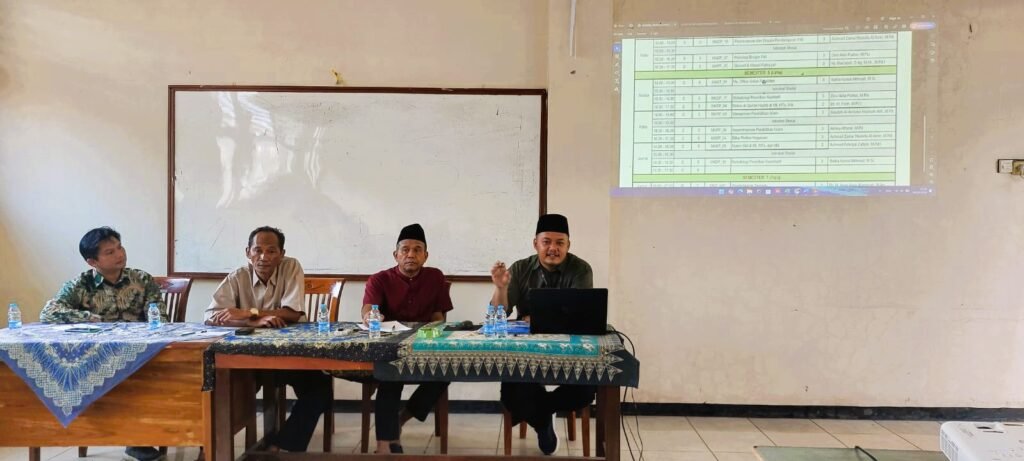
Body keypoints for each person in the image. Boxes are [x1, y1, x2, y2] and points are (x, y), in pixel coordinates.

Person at [39, 226, 168, 461]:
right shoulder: (80, 284)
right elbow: (49, 313)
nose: (120, 254)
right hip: (97, 356)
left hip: (140, 353)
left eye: (120, 247)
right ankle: (109, 434)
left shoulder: (142, 279)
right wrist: (88, 317)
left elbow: (160, 317)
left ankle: (143, 438)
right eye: (110, 252)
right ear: (92, 261)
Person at [205, 226, 332, 453]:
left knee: (320, 389)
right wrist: (253, 322)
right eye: (258, 250)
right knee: (218, 385)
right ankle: (210, 446)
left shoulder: (290, 267)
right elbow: (211, 317)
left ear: (281, 254)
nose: (263, 257)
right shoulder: (237, 277)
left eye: (271, 251)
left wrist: (248, 312)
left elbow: (292, 313)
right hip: (247, 361)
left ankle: (281, 446)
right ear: (248, 252)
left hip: (290, 355)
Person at [490, 213, 595, 455]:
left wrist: (535, 319)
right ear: (535, 243)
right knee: (511, 394)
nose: (553, 248)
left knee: (586, 389)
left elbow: (579, 314)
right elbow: (498, 315)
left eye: (560, 243)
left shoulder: (581, 269)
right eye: (546, 242)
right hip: (527, 352)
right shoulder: (520, 268)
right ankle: (544, 422)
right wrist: (500, 288)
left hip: (571, 352)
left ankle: (542, 411)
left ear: (568, 245)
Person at [362, 223, 453, 454]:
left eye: (417, 250)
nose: (411, 254)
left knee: (446, 372)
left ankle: (401, 419)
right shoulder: (379, 279)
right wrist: (371, 316)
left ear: (425, 256)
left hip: (424, 346)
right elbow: (368, 310)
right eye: (405, 250)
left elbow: (438, 316)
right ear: (396, 255)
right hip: (391, 348)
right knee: (390, 375)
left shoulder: (435, 277)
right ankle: (385, 445)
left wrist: (435, 328)